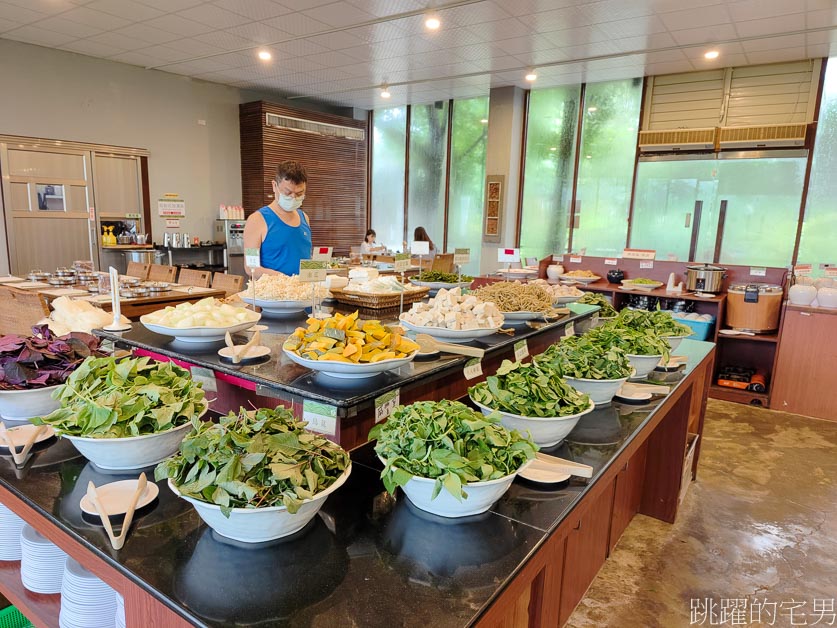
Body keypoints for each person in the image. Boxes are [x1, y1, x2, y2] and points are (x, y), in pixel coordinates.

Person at [243, 161, 311, 277]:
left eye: (299, 194)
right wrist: (283, 280)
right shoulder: (256, 220)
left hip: (302, 292)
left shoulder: (304, 218)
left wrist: (320, 268)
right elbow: (251, 267)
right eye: (287, 192)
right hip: (272, 293)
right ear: (274, 186)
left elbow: (305, 258)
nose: (293, 198)